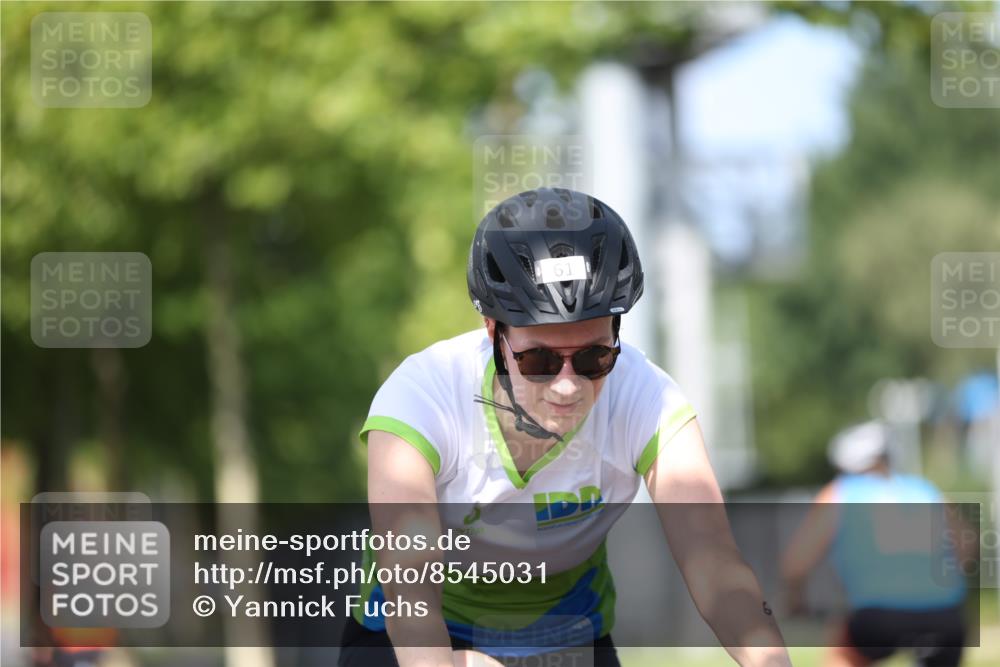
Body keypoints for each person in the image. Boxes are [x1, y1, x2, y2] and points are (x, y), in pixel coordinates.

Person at [339, 188, 791, 667]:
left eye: (596, 357)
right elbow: (412, 599)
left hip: (569, 640)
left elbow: (715, 563)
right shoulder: (421, 397)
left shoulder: (648, 398)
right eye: (540, 360)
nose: (568, 386)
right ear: (494, 331)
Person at [781, 420, 972, 667]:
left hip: (878, 616)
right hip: (946, 616)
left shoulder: (840, 493)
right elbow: (967, 547)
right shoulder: (926, 490)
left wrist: (796, 600)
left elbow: (795, 564)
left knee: (841, 656)